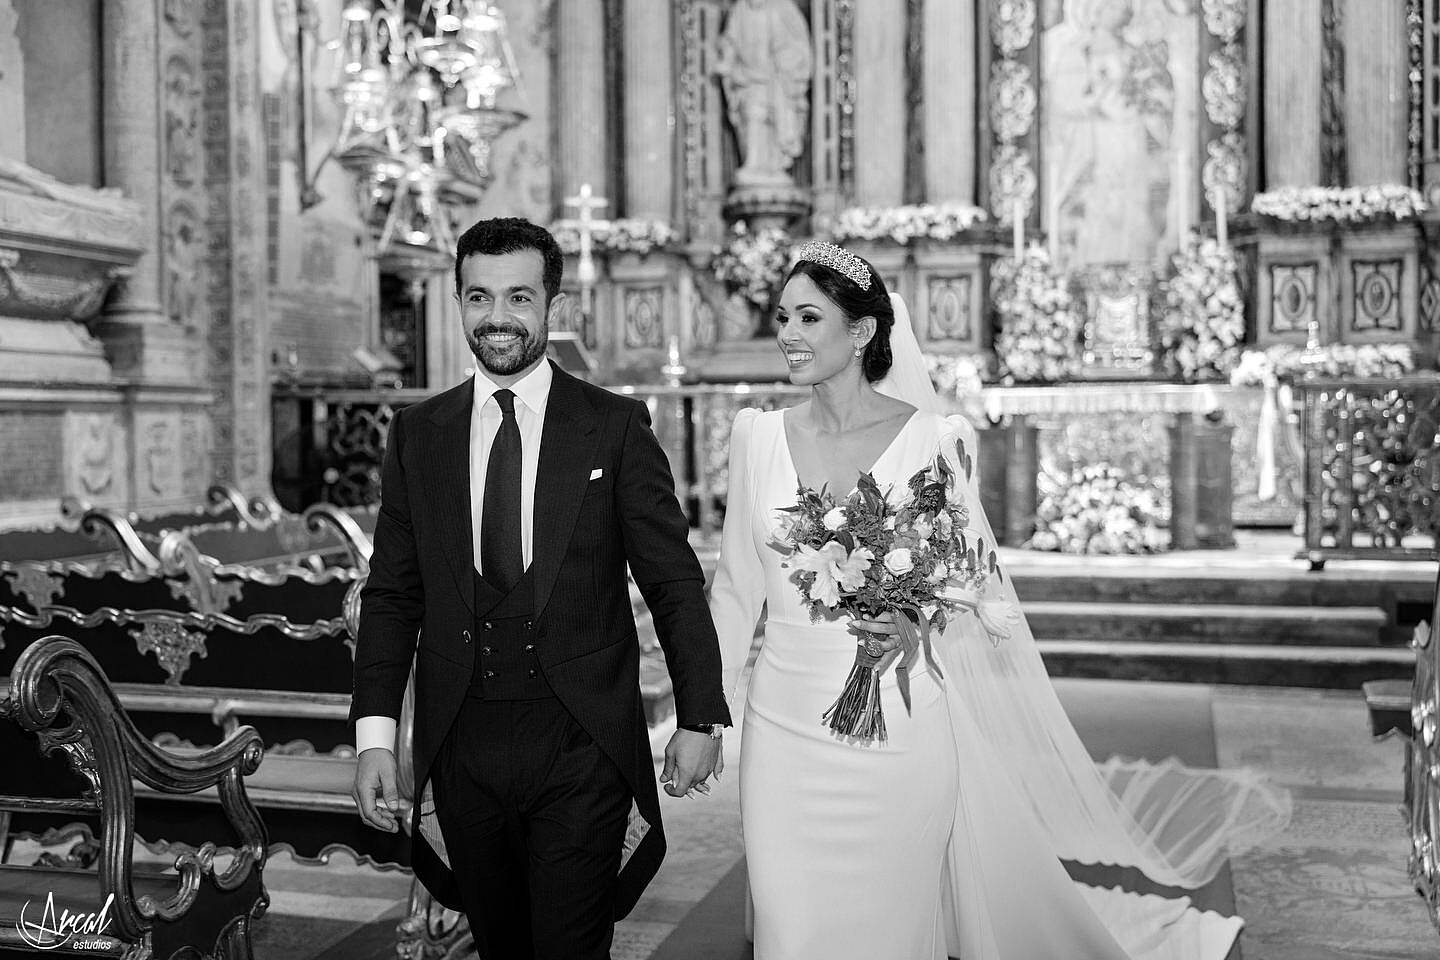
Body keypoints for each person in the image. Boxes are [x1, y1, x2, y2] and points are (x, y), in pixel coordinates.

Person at [707, 239, 1290, 959]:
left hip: (900, 730)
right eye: (782, 317)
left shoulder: (934, 439)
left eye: (808, 318)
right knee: (790, 933)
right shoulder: (756, 436)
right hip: (782, 734)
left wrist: (912, 624)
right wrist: (704, 717)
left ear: (861, 332)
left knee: (887, 931)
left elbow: (965, 586)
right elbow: (734, 591)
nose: (788, 335)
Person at [350, 217, 731, 960]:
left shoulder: (613, 427)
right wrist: (374, 737)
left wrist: (700, 716)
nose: (498, 318)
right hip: (462, 746)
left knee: (568, 945)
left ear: (553, 309)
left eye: (519, 298)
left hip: (580, 743)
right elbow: (393, 594)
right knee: (500, 946)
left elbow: (673, 581)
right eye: (480, 298)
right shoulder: (418, 433)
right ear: (459, 303)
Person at [713, 0, 813, 185]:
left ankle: (774, 166)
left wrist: (784, 59)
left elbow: (799, 44)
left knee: (774, 119)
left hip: (777, 80)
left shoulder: (784, 8)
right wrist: (727, 58)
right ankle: (753, 163)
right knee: (753, 117)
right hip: (749, 79)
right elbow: (730, 41)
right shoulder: (740, 10)